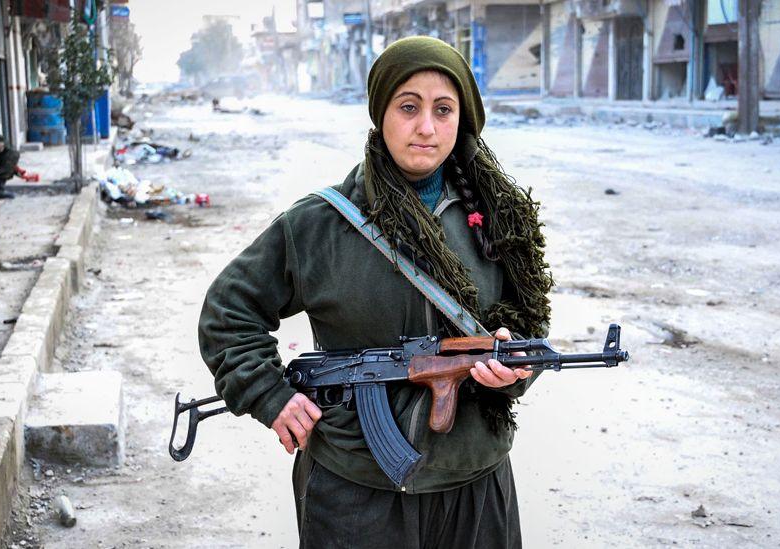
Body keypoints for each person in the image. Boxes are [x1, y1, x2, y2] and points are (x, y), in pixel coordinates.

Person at [198, 36, 552, 548]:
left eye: (443, 109)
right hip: (354, 490)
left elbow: (530, 326)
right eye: (408, 107)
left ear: (464, 119)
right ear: (380, 113)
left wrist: (513, 370)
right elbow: (229, 310)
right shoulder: (321, 224)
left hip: (477, 482)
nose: (426, 127)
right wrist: (269, 394)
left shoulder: (501, 219)